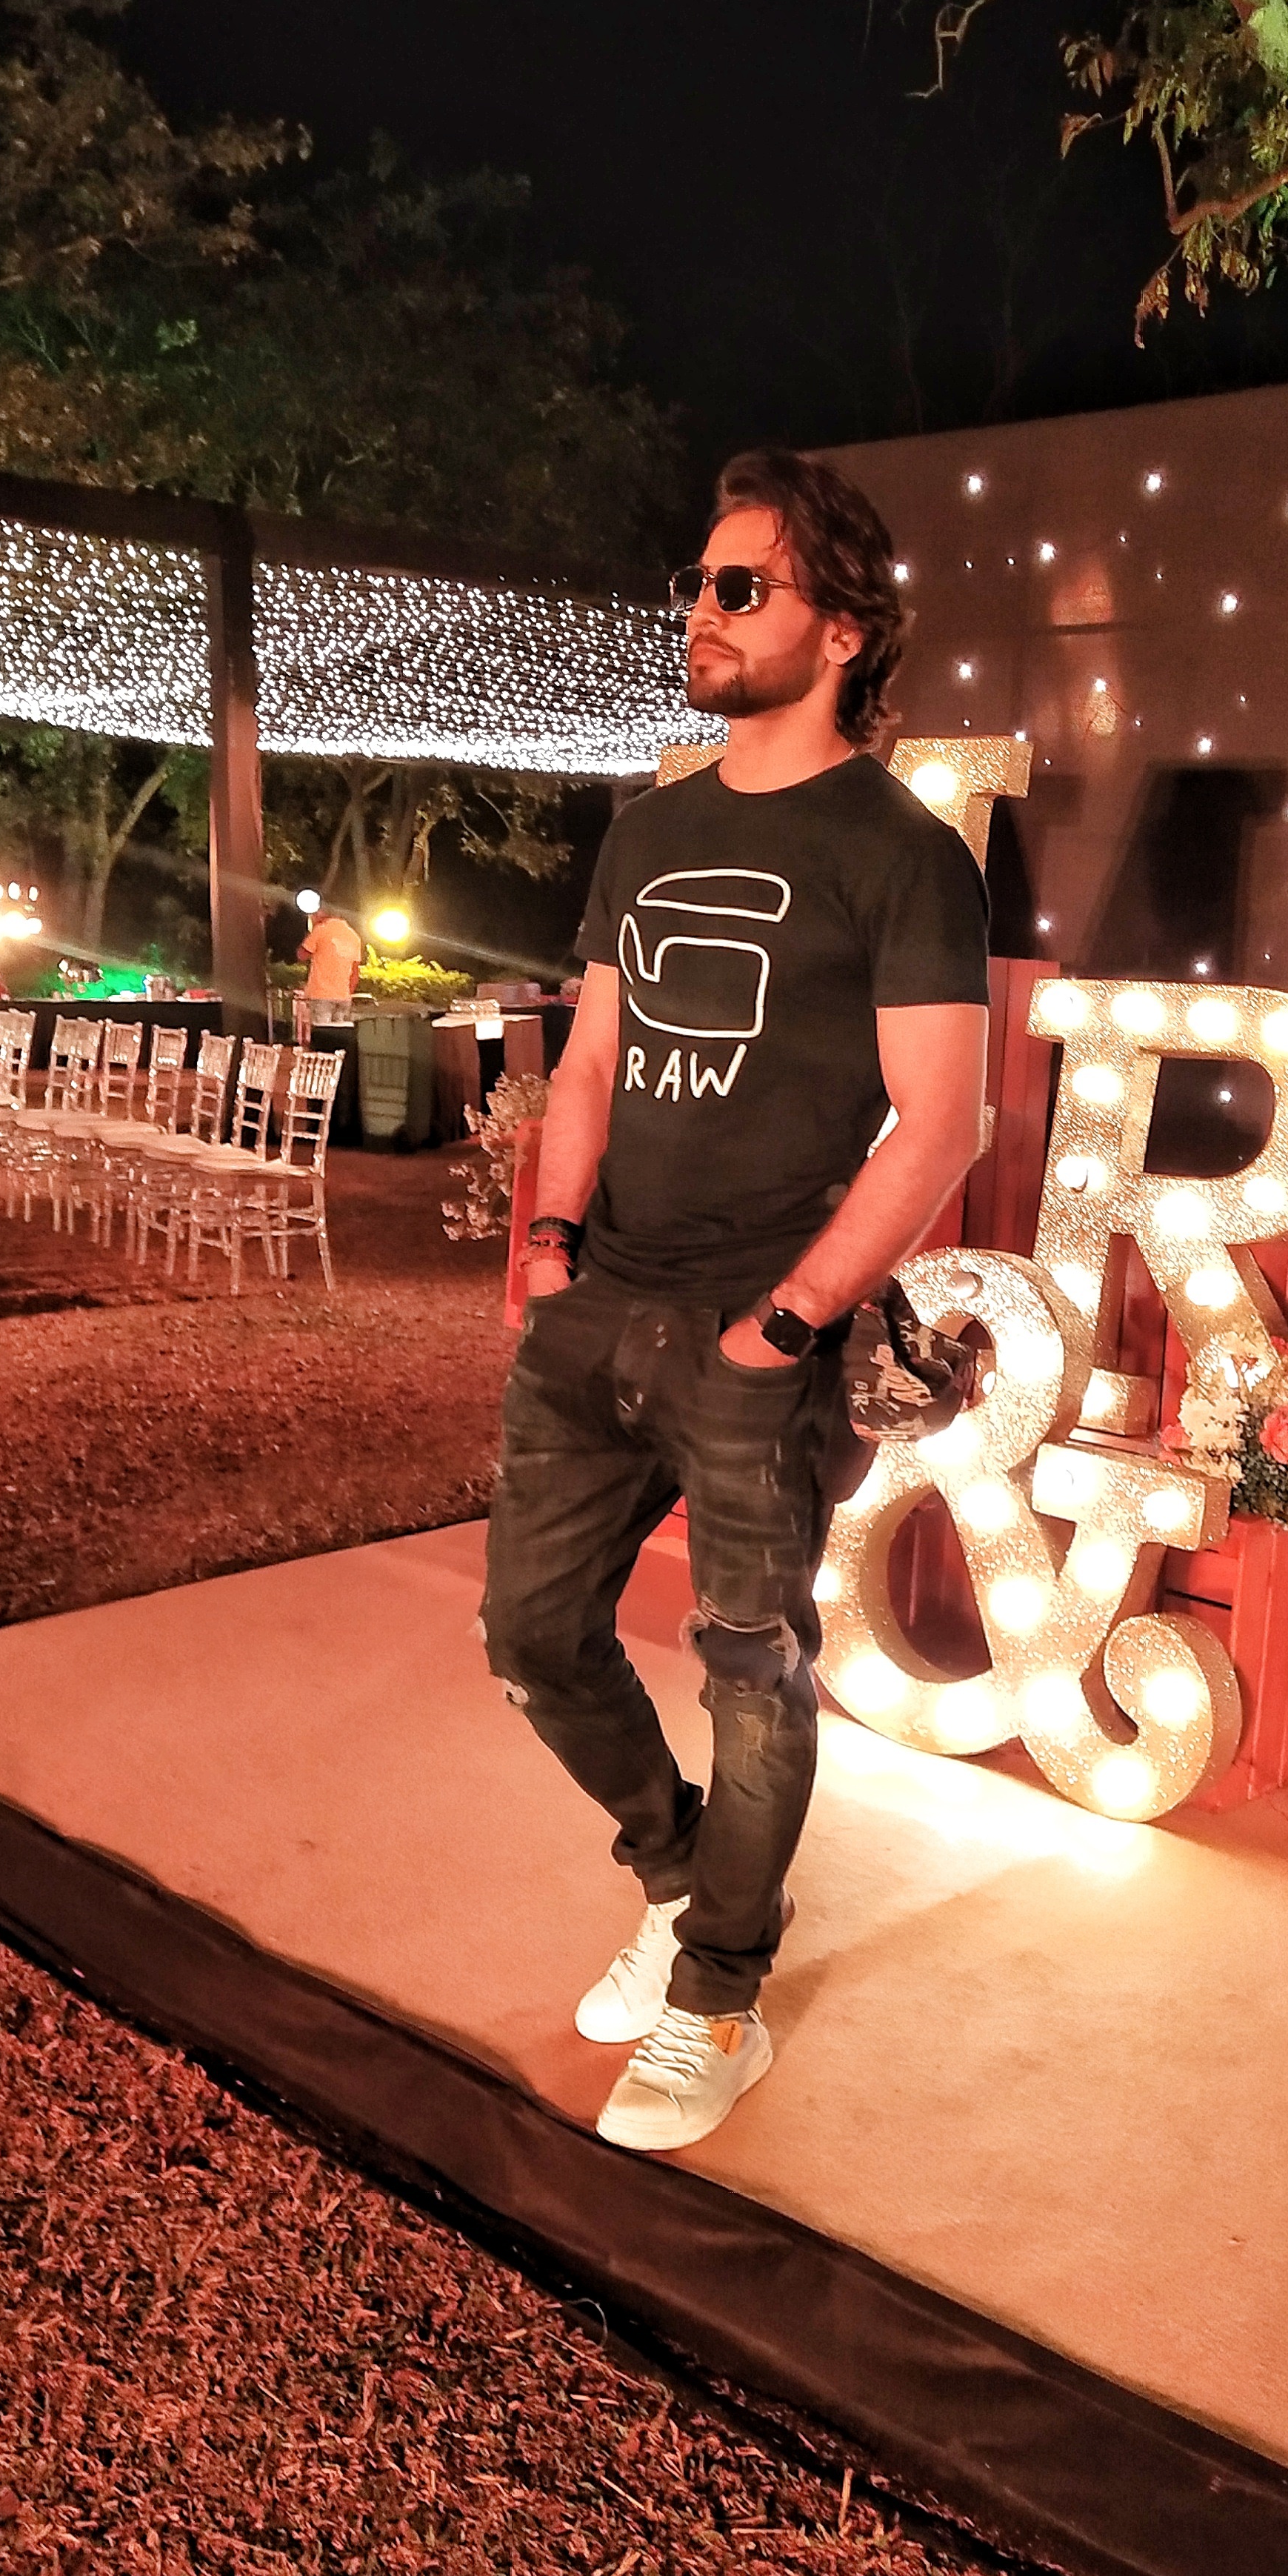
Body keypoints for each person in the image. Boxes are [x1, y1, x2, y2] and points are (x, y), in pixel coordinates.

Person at [481, 448, 990, 2154]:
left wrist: (790, 1320)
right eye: (698, 581)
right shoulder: (650, 830)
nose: (699, 609)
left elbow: (941, 1122)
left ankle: (717, 1997)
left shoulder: (904, 856)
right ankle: (679, 1879)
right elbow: (592, 1062)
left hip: (756, 1331)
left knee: (753, 1673)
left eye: (739, 585)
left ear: (840, 631)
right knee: (533, 1634)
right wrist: (547, 1251)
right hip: (596, 1302)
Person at [298, 908, 362, 1005]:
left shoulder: (321, 930)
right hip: (343, 997)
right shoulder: (354, 936)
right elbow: (355, 972)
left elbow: (302, 955)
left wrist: (311, 933)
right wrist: (347, 994)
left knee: (321, 1016)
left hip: (320, 995)